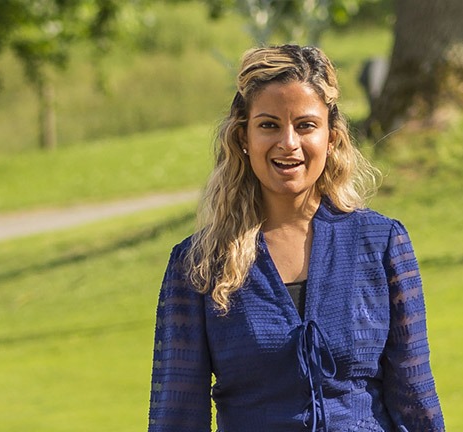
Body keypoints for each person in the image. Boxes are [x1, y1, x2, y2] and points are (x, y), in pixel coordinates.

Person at [147, 44, 445, 432]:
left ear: (332, 137)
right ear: (243, 137)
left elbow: (415, 401)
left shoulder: (381, 243)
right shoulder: (200, 263)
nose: (288, 142)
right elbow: (178, 417)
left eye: (305, 125)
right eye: (269, 125)